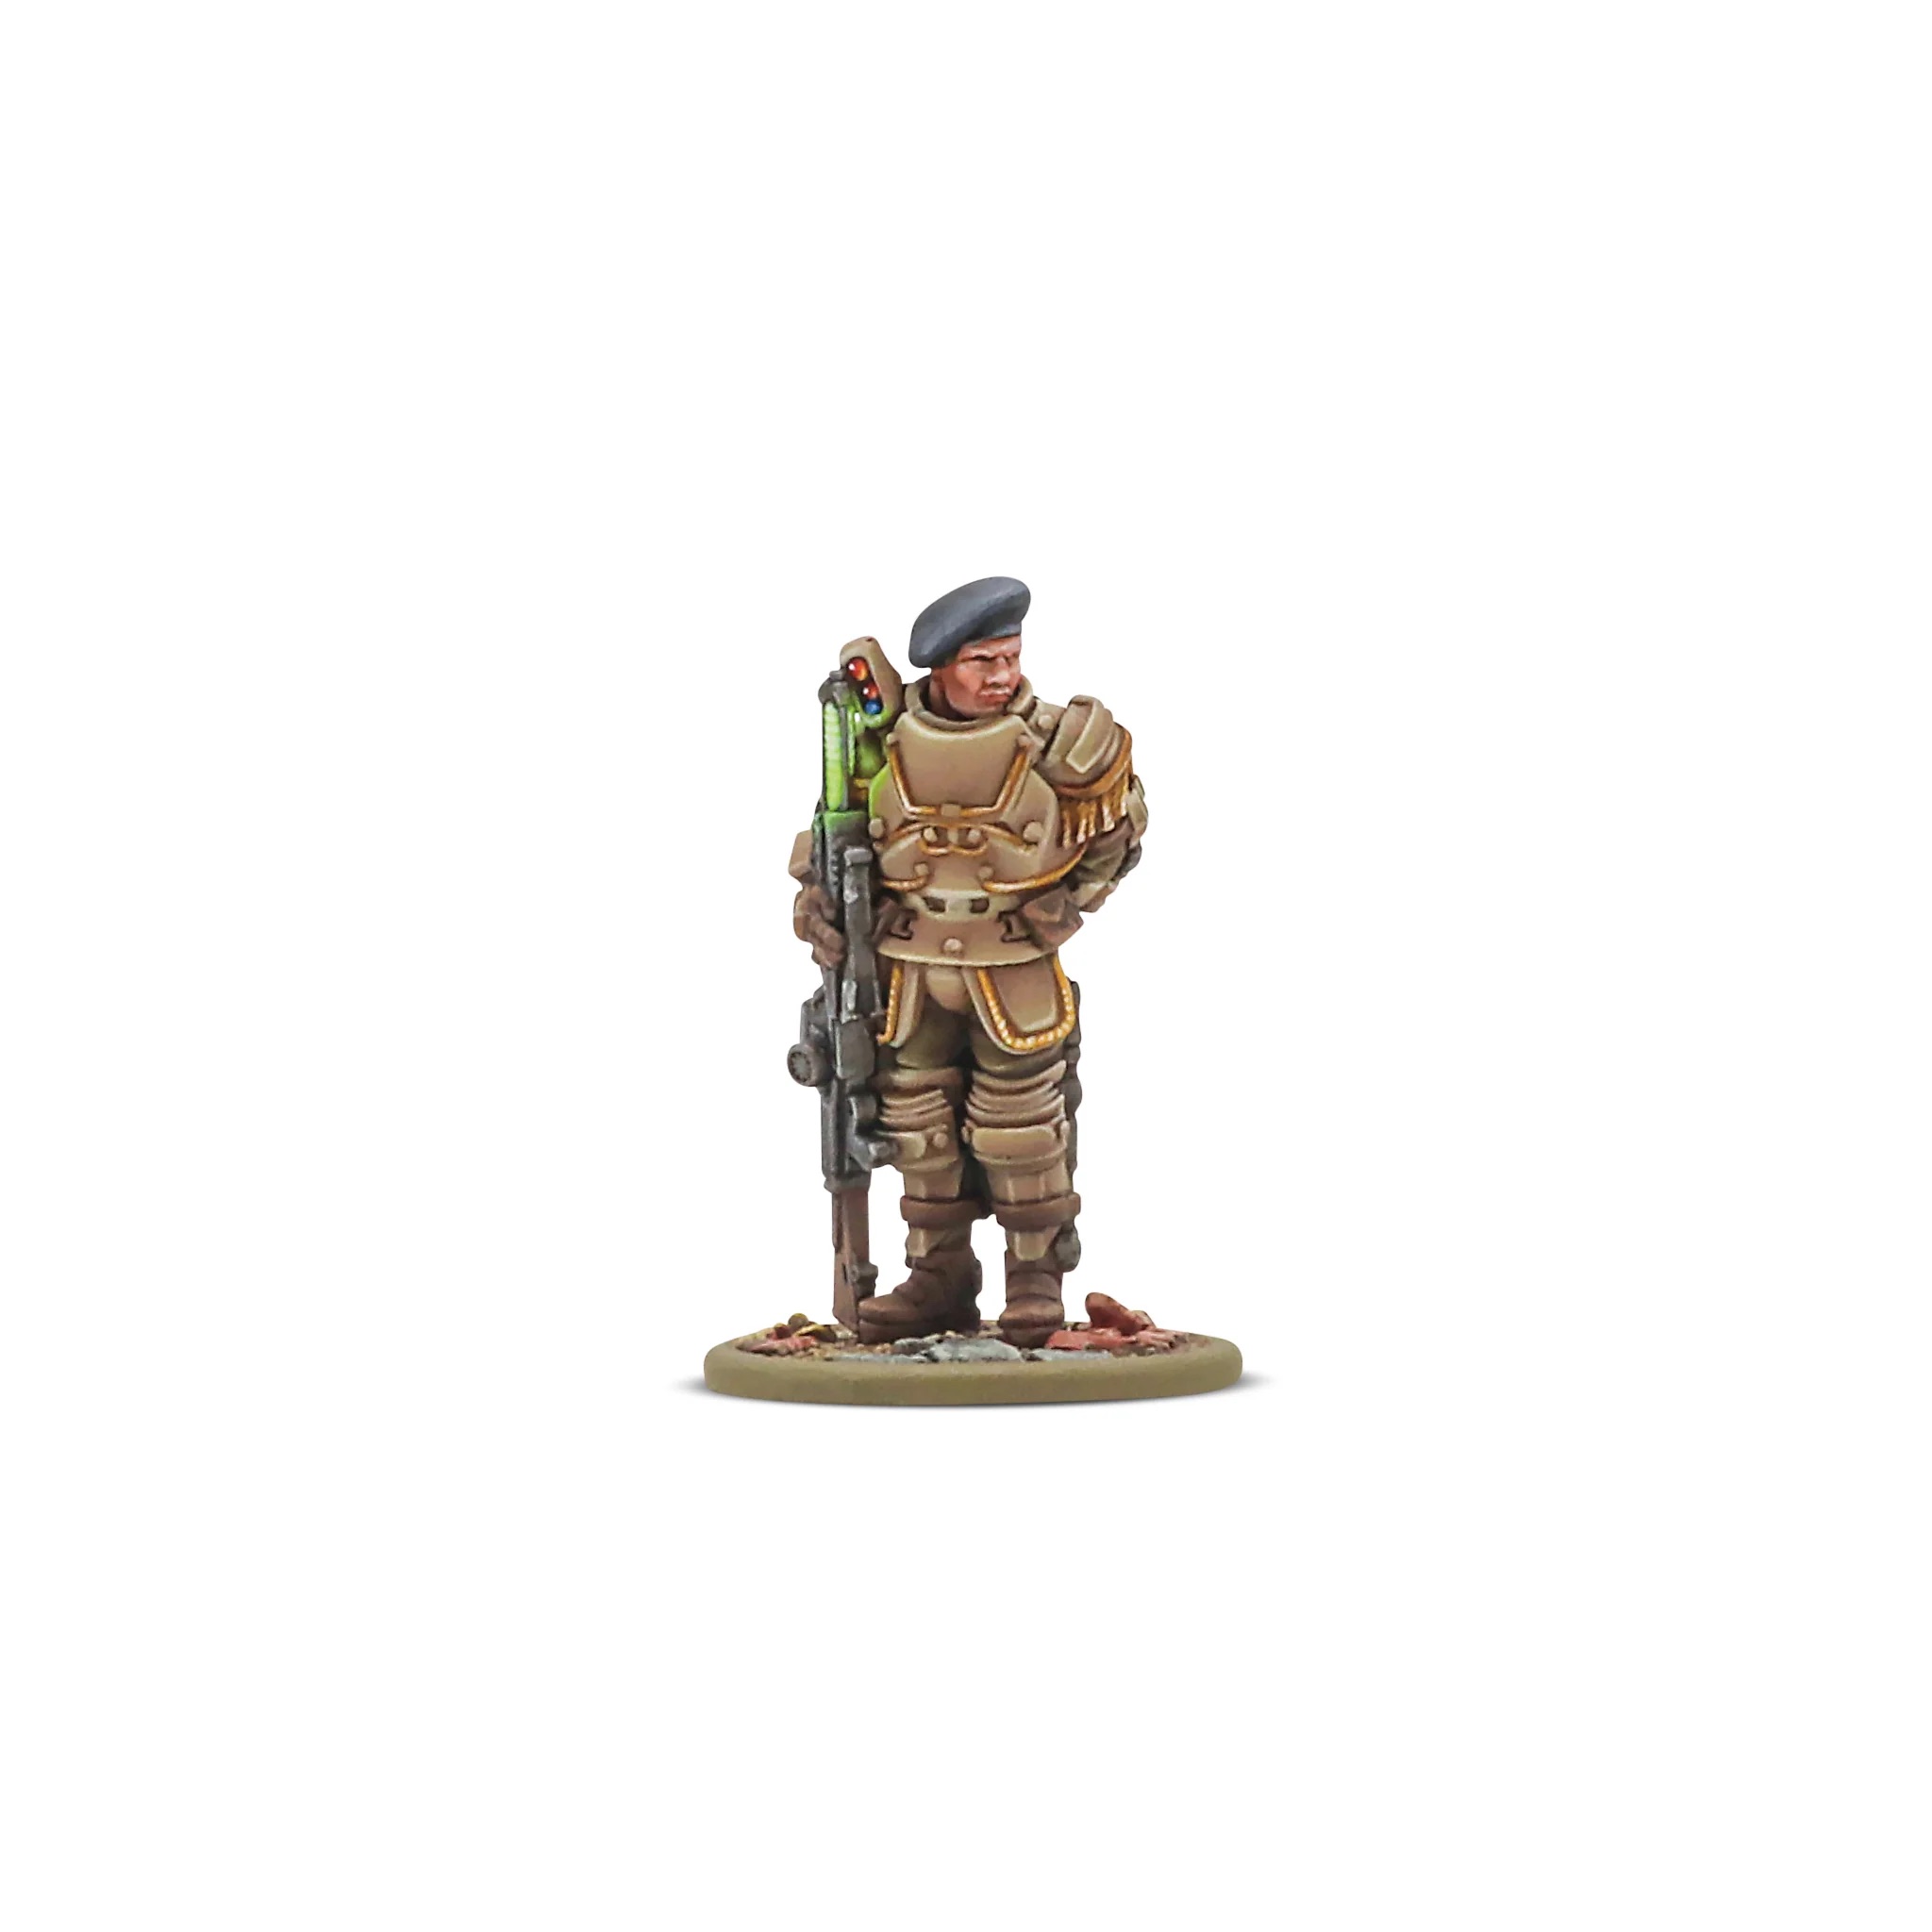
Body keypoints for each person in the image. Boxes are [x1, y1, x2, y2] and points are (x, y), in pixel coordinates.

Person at [791, 576, 1147, 1346]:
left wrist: (1066, 906)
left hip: (1012, 969)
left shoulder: (1061, 743)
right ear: (943, 667)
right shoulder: (880, 744)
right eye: (983, 662)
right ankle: (938, 1277)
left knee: (1022, 1129)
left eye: (1010, 657)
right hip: (906, 973)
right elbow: (830, 838)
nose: (1002, 676)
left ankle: (1034, 1281)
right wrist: (819, 908)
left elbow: (1119, 830)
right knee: (915, 1124)